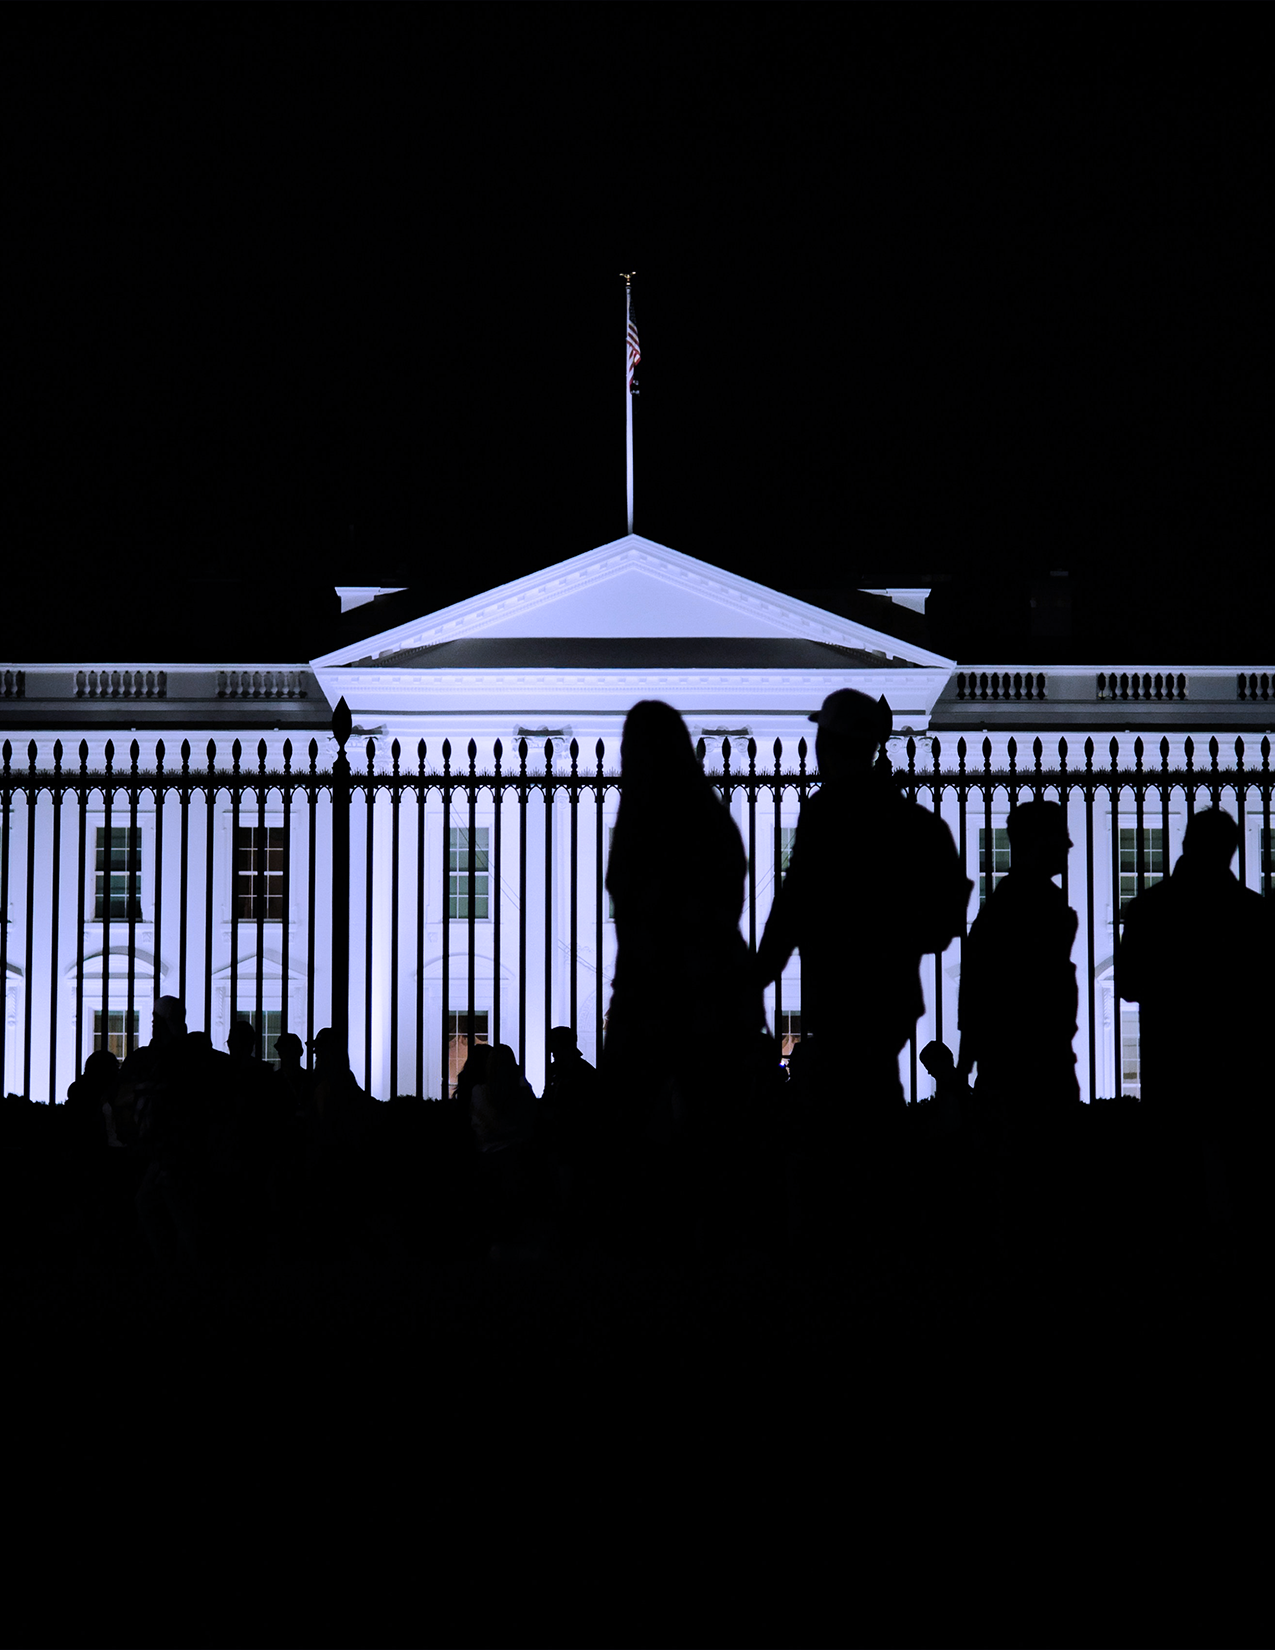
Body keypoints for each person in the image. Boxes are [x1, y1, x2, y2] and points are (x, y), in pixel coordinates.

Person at [602, 699, 769, 1260]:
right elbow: (730, 895)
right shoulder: (708, 813)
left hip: (657, 996)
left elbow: (630, 901)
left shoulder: (642, 814)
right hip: (711, 995)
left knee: (636, 1145)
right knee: (716, 1147)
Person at [756, 690, 970, 1121]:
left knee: (844, 1119)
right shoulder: (914, 822)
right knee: (875, 1099)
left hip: (840, 991)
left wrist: (757, 975)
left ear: (830, 746)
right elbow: (947, 918)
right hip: (891, 996)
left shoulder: (828, 813)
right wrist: (898, 937)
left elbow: (792, 906)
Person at [1117, 806, 1274, 1246]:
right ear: (1230, 852)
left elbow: (1128, 985)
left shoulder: (1149, 908)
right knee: (1243, 1191)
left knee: (1176, 1199)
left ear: (1186, 846)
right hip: (1238, 1071)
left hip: (1173, 1069)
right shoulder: (1254, 914)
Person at [956, 800, 1080, 1114]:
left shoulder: (1010, 902)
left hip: (1018, 1065)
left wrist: (966, 1062)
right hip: (1030, 1068)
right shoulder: (1029, 904)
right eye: (1060, 835)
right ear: (1038, 840)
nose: (1068, 843)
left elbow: (974, 989)